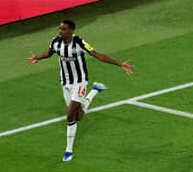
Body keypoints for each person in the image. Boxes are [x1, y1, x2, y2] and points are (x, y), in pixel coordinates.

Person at [28, 19, 134, 161]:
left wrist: (120, 64)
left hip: (80, 82)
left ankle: (68, 150)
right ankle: (95, 90)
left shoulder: (79, 43)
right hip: (65, 83)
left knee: (70, 115)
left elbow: (99, 55)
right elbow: (49, 53)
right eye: (59, 28)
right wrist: (38, 58)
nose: (60, 31)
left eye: (63, 29)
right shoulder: (55, 41)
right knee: (78, 116)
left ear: (71, 31)